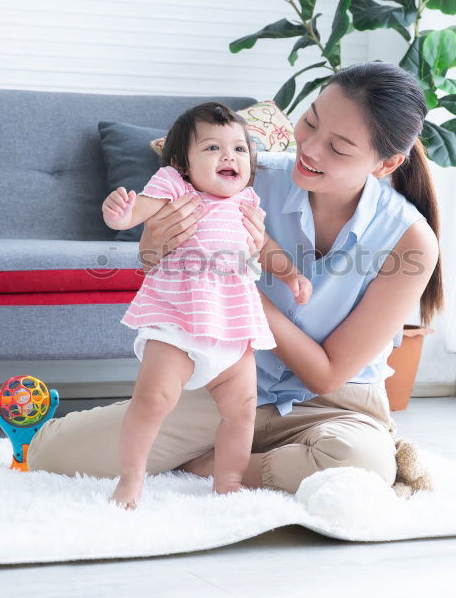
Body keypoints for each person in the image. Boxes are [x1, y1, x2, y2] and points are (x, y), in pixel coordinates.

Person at [26, 60, 443, 498]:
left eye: (338, 148)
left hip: (334, 407)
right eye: (311, 122)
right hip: (224, 380)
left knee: (358, 464)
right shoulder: (246, 176)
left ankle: (204, 465)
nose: (311, 148)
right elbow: (156, 259)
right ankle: (242, 457)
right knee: (54, 456)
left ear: (386, 163)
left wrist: (237, 292)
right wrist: (154, 243)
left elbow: (327, 375)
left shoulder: (409, 241)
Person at [100, 101, 313, 510]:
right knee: (153, 401)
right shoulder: (175, 187)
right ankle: (130, 479)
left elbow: (266, 246)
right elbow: (135, 213)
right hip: (178, 324)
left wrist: (290, 276)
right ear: (182, 163)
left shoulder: (247, 201)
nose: (230, 156)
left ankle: (229, 481)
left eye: (239, 148)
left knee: (242, 411)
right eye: (212, 148)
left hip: (233, 329)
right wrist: (121, 214)